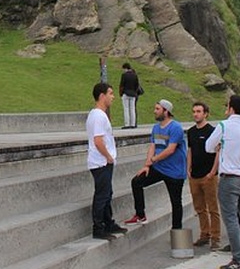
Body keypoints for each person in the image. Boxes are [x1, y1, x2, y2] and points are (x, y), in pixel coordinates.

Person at [206, 95, 240, 269]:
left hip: (229, 178)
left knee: (231, 219)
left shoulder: (224, 125)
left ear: (231, 108)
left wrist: (219, 147)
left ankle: (239, 259)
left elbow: (208, 146)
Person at [123, 99, 187, 230]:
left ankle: (177, 232)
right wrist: (147, 165)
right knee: (137, 182)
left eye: (157, 109)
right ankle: (140, 215)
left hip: (175, 172)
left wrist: (153, 160)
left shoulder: (175, 127)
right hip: (159, 168)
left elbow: (170, 149)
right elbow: (152, 146)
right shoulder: (156, 128)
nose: (154, 111)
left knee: (176, 202)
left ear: (166, 111)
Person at [86, 82, 127, 240]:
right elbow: (98, 140)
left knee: (107, 193)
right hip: (101, 162)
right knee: (102, 195)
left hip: (103, 161)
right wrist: (108, 157)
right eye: (110, 93)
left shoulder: (99, 115)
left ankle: (108, 222)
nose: (113, 97)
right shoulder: (97, 115)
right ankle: (98, 227)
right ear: (102, 96)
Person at [187, 101, 221, 250]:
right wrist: (188, 167)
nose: (196, 114)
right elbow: (190, 150)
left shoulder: (213, 131)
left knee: (213, 208)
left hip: (209, 175)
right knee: (199, 207)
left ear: (205, 113)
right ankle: (204, 234)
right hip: (194, 175)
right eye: (194, 111)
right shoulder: (191, 131)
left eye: (199, 111)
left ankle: (215, 237)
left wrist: (213, 171)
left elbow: (218, 152)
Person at [119, 62, 141, 129]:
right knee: (132, 109)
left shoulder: (124, 75)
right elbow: (137, 85)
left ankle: (127, 124)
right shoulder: (135, 75)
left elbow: (122, 85)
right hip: (133, 94)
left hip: (126, 93)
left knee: (126, 109)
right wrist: (134, 91)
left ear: (125, 68)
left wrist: (121, 93)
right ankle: (133, 124)